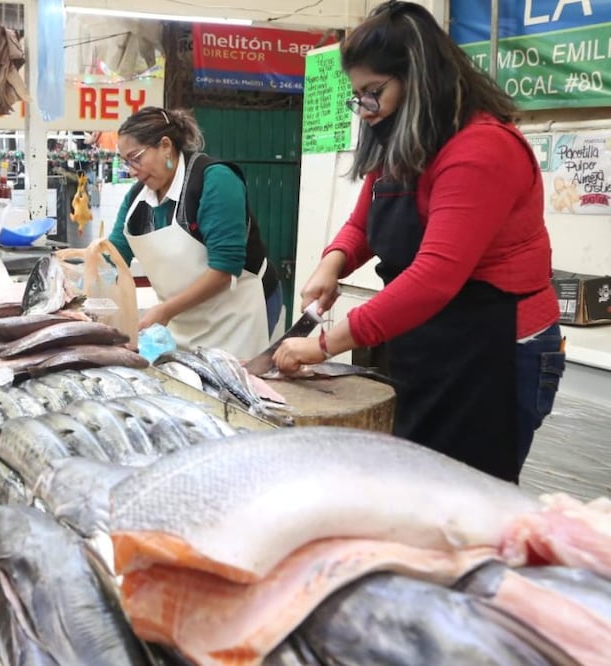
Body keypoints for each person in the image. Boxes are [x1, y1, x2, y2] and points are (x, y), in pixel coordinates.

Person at [273, 0, 564, 483]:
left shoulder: (481, 150)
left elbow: (434, 278)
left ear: (420, 79)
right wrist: (333, 263)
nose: (364, 110)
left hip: (495, 350)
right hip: (433, 339)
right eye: (357, 96)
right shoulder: (407, 143)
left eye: (372, 93)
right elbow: (363, 222)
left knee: (470, 497)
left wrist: (326, 343)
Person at [107, 106, 280, 358]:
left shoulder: (215, 180)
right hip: (183, 319)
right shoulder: (136, 199)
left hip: (239, 315)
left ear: (165, 146)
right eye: (126, 162)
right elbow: (113, 257)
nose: (131, 170)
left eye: (136, 157)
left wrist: (165, 311)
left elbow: (224, 269)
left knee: (236, 389)